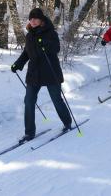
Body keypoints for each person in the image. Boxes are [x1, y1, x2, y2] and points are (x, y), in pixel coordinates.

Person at [11, 8, 72, 143]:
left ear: (41, 20)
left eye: (35, 19)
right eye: (30, 19)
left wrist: (45, 43)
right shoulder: (29, 35)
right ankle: (29, 133)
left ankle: (67, 122)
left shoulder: (50, 33)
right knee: (28, 101)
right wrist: (18, 64)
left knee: (56, 99)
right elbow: (27, 53)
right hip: (34, 73)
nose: (32, 21)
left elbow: (56, 48)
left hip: (50, 72)